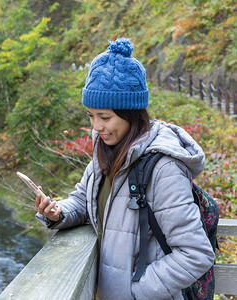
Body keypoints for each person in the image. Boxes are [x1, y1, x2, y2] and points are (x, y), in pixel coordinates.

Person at [35, 37, 215, 300]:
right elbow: (85, 200)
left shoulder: (164, 168)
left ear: (131, 113)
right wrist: (57, 212)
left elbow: (195, 254)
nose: (96, 126)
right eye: (91, 115)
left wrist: (133, 292)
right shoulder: (106, 150)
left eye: (104, 117)